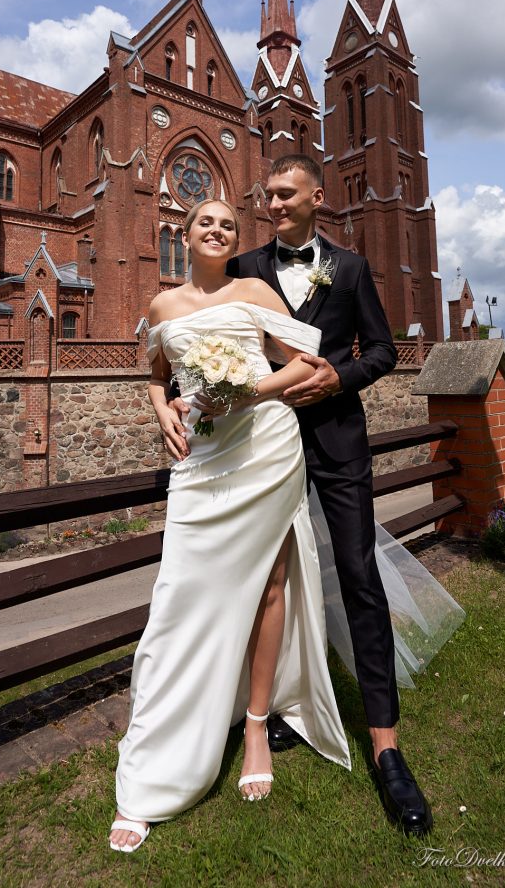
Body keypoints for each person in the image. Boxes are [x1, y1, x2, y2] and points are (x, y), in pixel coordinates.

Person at [109, 198, 353, 852]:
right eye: (204, 223)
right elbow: (156, 372)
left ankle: (253, 726)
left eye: (226, 225)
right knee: (176, 599)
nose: (216, 230)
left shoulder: (254, 288)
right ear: (184, 235)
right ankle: (154, 763)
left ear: (233, 239)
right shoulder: (162, 307)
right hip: (204, 460)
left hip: (267, 450)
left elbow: (306, 361)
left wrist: (250, 393)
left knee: (270, 587)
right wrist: (161, 409)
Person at [222, 153, 435, 834]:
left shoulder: (347, 267)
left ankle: (386, 747)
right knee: (271, 580)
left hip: (339, 443)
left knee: (355, 574)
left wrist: (336, 380)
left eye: (287, 195)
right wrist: (167, 396)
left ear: (317, 196)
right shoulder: (245, 270)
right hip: (265, 445)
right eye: (268, 197)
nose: (275, 205)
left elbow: (382, 349)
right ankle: (281, 705)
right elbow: (214, 343)